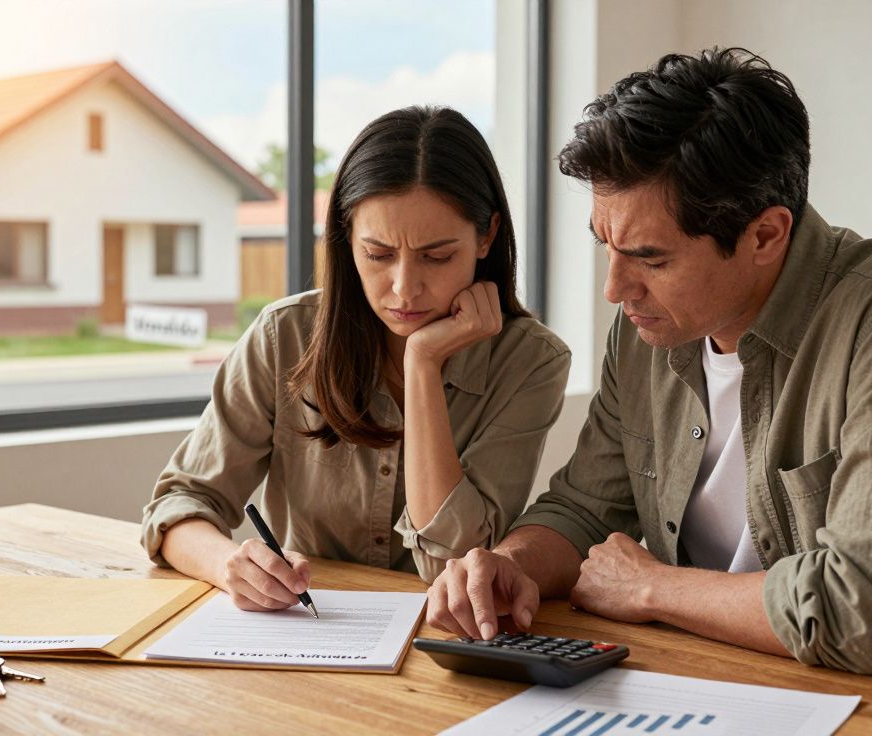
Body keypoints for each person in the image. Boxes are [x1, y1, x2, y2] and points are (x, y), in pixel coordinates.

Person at [425, 48, 872, 677]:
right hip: (726, 683)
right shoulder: (647, 330)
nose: (615, 288)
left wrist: (651, 587)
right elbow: (584, 509)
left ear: (766, 235)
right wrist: (511, 565)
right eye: (603, 245)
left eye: (651, 258)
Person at [141, 106, 571, 613]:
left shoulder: (530, 362)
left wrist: (422, 365)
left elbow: (453, 560)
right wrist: (228, 565)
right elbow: (178, 504)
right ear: (347, 240)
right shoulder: (285, 336)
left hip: (448, 643)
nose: (405, 287)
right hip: (304, 635)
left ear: (486, 236)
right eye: (378, 254)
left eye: (436, 256)